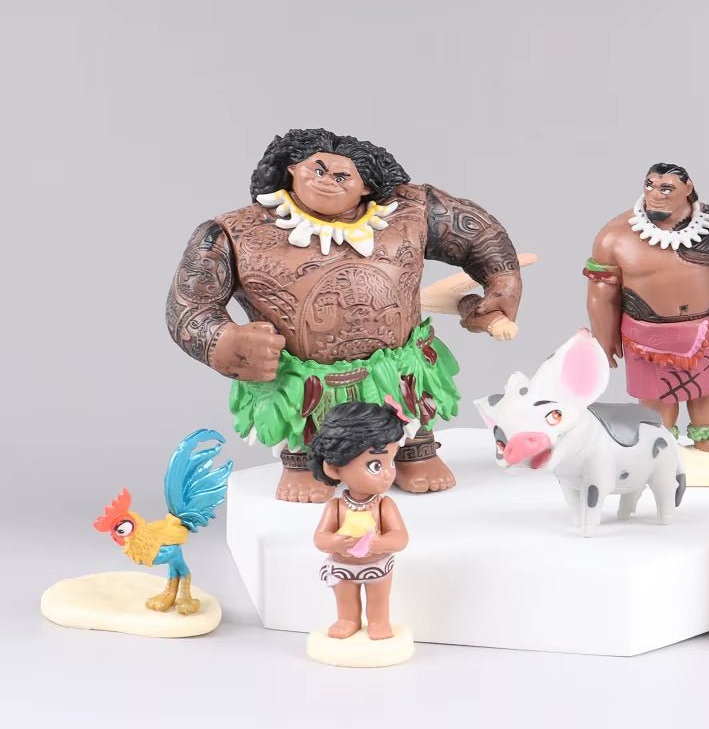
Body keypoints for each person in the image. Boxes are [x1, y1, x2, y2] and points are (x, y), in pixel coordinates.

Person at [166, 128, 523, 501]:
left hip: (399, 368)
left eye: (341, 177)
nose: (327, 182)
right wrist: (224, 342)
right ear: (292, 168)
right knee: (304, 422)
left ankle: (414, 450)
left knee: (408, 407)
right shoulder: (234, 232)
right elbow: (189, 304)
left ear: (366, 186)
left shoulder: (411, 212)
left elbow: (479, 235)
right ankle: (306, 463)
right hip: (302, 381)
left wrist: (502, 283)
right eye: (317, 170)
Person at [585, 162, 709, 460]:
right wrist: (603, 337)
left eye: (666, 188)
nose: (655, 194)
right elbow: (601, 294)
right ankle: (657, 443)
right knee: (657, 396)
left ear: (688, 188)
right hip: (647, 336)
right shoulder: (613, 236)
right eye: (649, 185)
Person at [308, 400, 413, 641]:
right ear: (334, 469)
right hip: (343, 565)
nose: (388, 473)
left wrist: (379, 543)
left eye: (391, 461)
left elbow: (400, 538)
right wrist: (336, 542)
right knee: (345, 598)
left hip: (376, 564)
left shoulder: (384, 505)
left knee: (378, 598)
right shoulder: (336, 507)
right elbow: (320, 539)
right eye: (375, 465)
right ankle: (348, 619)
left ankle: (378, 621)